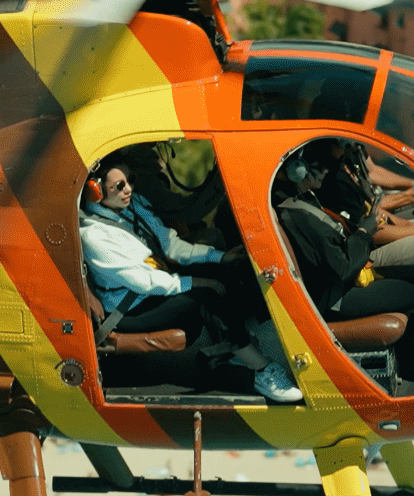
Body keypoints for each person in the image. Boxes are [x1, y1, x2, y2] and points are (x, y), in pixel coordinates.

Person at [81, 159, 300, 402]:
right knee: (206, 297)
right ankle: (262, 371)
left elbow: (171, 246)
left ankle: (237, 345)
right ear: (96, 191)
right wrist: (196, 282)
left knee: (228, 270)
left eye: (130, 181)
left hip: (153, 287)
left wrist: (220, 258)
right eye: (119, 186)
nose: (128, 189)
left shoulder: (133, 207)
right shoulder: (94, 235)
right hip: (131, 308)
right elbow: (144, 281)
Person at [275, 141, 414, 386]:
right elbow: (340, 268)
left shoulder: (306, 201)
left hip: (354, 273)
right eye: (318, 167)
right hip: (339, 297)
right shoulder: (297, 216)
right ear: (297, 171)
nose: (325, 171)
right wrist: (365, 231)